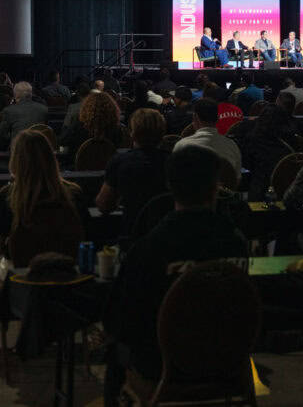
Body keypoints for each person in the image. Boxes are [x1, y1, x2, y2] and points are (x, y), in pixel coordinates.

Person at [105, 146, 248, 398]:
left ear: (170, 187)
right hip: (226, 366)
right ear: (216, 188)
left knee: (114, 351)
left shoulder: (149, 248)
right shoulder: (235, 243)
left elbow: (122, 320)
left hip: (163, 368)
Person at [0, 129, 82, 265]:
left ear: (16, 160)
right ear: (50, 157)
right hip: (65, 272)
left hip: (23, 276)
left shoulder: (8, 196)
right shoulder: (73, 193)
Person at [97, 109, 170, 242]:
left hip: (132, 235)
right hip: (168, 235)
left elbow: (104, 205)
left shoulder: (120, 161)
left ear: (133, 133)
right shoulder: (173, 162)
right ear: (162, 133)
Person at [173, 98, 241, 175]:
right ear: (218, 118)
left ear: (195, 117)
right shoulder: (232, 146)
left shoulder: (182, 145)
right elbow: (236, 178)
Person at [0, 81, 48, 150]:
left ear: (15, 95)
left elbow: (1, 137)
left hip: (18, 153)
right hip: (40, 151)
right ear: (30, 94)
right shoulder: (43, 109)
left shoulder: (9, 111)